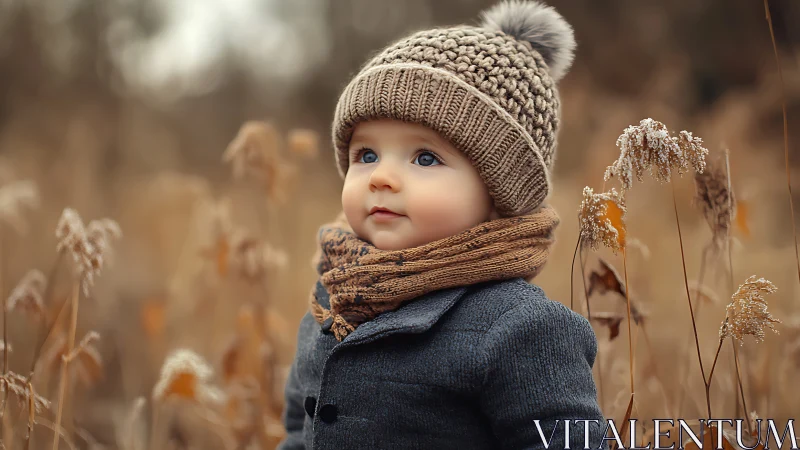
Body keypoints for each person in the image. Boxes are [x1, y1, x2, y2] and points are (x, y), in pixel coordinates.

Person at [277, 1, 608, 448]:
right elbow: (300, 431)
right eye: (366, 155)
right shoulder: (333, 298)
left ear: (498, 193)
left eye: (425, 157)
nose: (380, 176)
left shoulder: (521, 328)